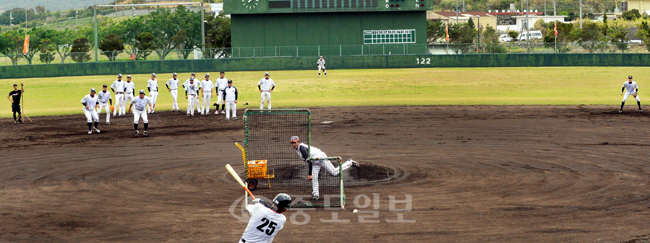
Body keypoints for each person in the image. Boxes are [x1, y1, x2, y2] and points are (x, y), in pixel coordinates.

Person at [290, 136, 359, 200]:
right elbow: (310, 161)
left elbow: (309, 161)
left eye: (295, 142)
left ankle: (350, 163)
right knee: (314, 177)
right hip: (315, 161)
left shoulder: (302, 148)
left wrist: (309, 174)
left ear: (298, 142)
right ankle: (316, 194)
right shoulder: (297, 149)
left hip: (321, 158)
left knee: (334, 172)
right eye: (292, 143)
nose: (294, 144)